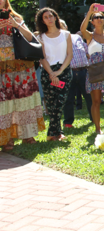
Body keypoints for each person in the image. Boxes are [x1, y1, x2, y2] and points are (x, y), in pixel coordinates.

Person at [0, 0, 45, 150]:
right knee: (4, 102)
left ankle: (27, 135)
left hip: (20, 66)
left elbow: (30, 38)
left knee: (24, 99)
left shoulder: (16, 17)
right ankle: (6, 138)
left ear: (6, 0)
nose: (0, 0)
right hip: (2, 68)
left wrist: (16, 25)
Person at [80, 5, 104, 134]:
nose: (99, 19)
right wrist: (90, 12)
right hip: (95, 71)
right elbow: (82, 28)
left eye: (101, 17)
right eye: (96, 17)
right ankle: (98, 128)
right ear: (92, 21)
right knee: (96, 101)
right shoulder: (89, 36)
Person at [36, 8, 73, 141]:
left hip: (64, 71)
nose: (49, 19)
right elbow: (42, 58)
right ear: (42, 21)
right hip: (48, 72)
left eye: (51, 16)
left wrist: (60, 71)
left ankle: (51, 133)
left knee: (60, 102)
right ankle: (58, 133)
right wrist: (52, 73)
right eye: (46, 17)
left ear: (56, 17)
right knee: (51, 105)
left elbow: (70, 54)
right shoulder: (40, 37)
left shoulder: (66, 34)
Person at [62, 31, 93, 128]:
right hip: (68, 72)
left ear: (66, 28)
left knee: (89, 96)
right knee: (69, 98)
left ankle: (94, 118)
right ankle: (68, 122)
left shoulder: (77, 37)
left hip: (83, 71)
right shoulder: (57, 40)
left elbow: (86, 50)